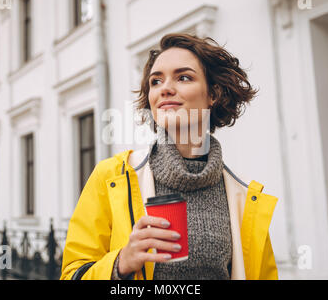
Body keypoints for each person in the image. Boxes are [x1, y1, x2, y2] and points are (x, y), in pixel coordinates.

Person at [60, 33, 278, 280]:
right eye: (155, 81)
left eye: (183, 77)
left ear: (213, 94)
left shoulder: (246, 197)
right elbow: (71, 275)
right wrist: (120, 264)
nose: (165, 89)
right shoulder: (112, 177)